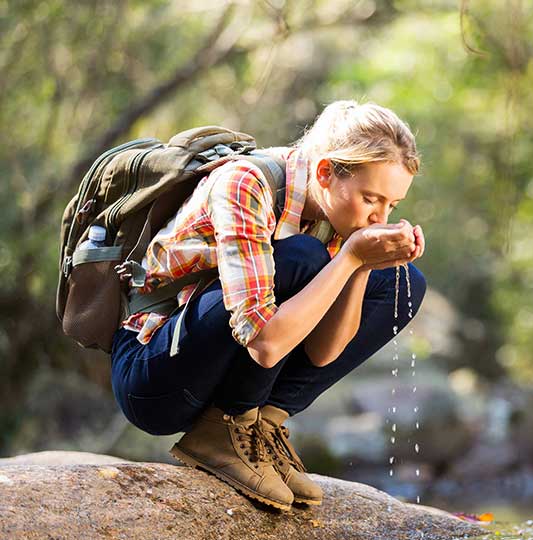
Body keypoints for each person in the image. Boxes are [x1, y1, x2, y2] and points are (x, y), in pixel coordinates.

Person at [108, 100, 427, 511]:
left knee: (401, 282)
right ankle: (226, 427)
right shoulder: (246, 183)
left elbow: (323, 353)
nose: (379, 217)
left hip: (217, 365)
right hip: (153, 376)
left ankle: (261, 427)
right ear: (326, 172)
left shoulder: (330, 213)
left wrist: (363, 266)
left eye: (391, 207)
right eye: (371, 199)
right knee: (305, 259)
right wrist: (347, 258)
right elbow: (265, 344)